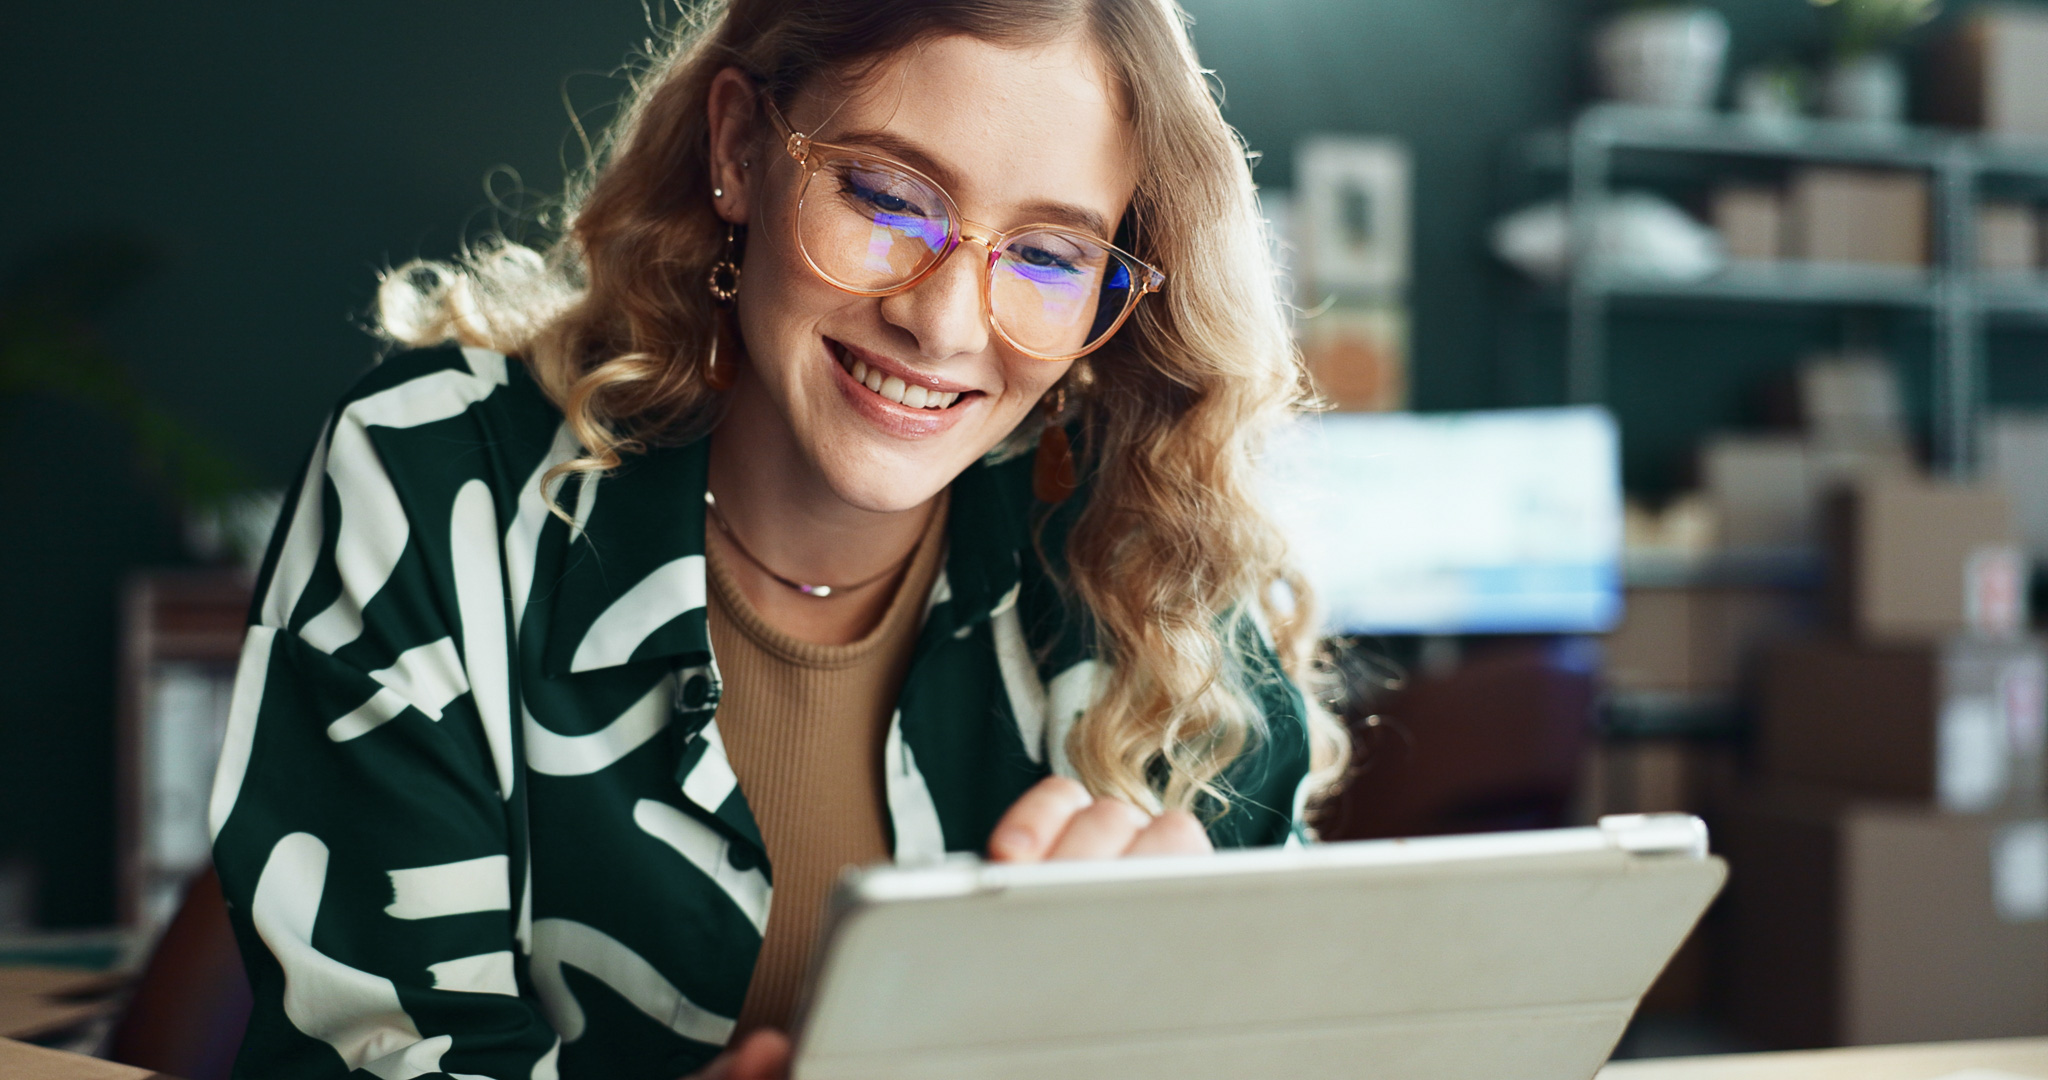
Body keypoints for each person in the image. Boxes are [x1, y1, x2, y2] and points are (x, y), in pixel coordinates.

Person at [207, 0, 1349, 1077]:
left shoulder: (1143, 552)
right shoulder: (437, 476)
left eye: (1050, 256)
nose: (943, 322)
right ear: (740, 148)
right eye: (887, 197)